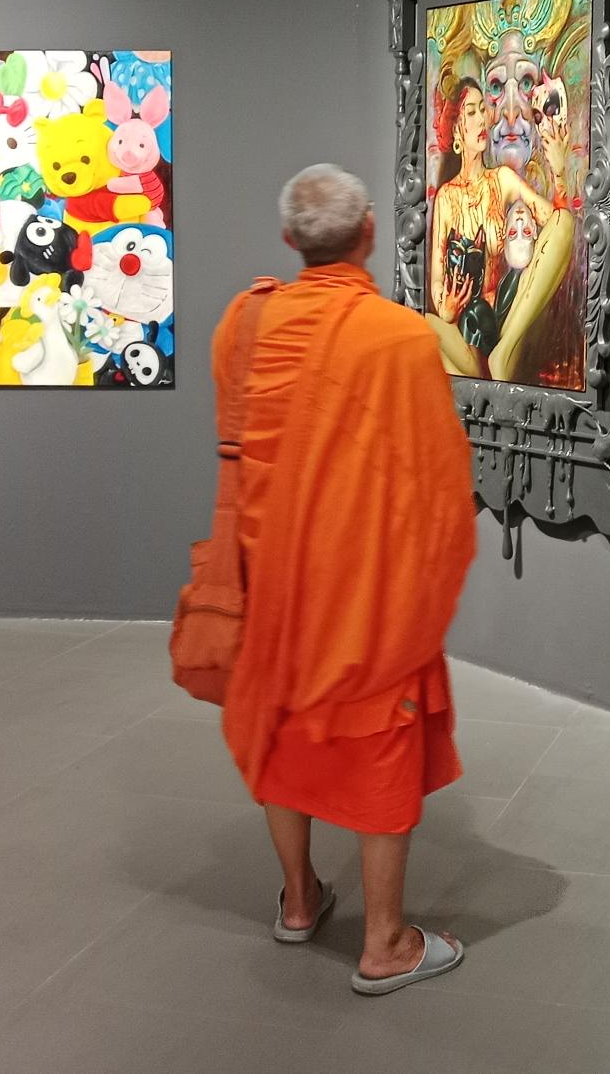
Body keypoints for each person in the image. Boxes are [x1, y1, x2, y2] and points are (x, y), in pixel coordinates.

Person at [211, 163, 477, 995]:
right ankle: (385, 943)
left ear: (290, 240)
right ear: (369, 234)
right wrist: (426, 587)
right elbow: (437, 485)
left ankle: (299, 899)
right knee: (380, 741)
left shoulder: (244, 323)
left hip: (269, 583)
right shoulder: (400, 338)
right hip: (365, 590)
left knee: (281, 724)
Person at [426, 77, 574, 383]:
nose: (482, 119)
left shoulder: (502, 180)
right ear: (456, 129)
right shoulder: (445, 198)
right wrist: (447, 308)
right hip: (465, 336)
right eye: (471, 112)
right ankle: (479, 378)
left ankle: (502, 356)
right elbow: (438, 286)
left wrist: (559, 171)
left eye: (483, 109)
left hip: (505, 322)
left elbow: (555, 222)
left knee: (565, 224)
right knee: (420, 322)